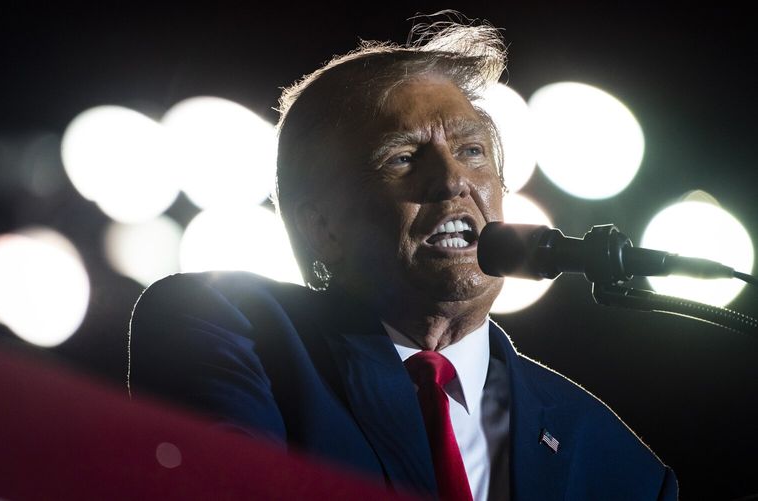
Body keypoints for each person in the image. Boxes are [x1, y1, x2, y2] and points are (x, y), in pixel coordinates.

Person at [128, 14, 678, 500]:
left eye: (471, 151)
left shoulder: (622, 467)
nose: (453, 181)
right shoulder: (233, 333)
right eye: (402, 158)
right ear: (322, 226)